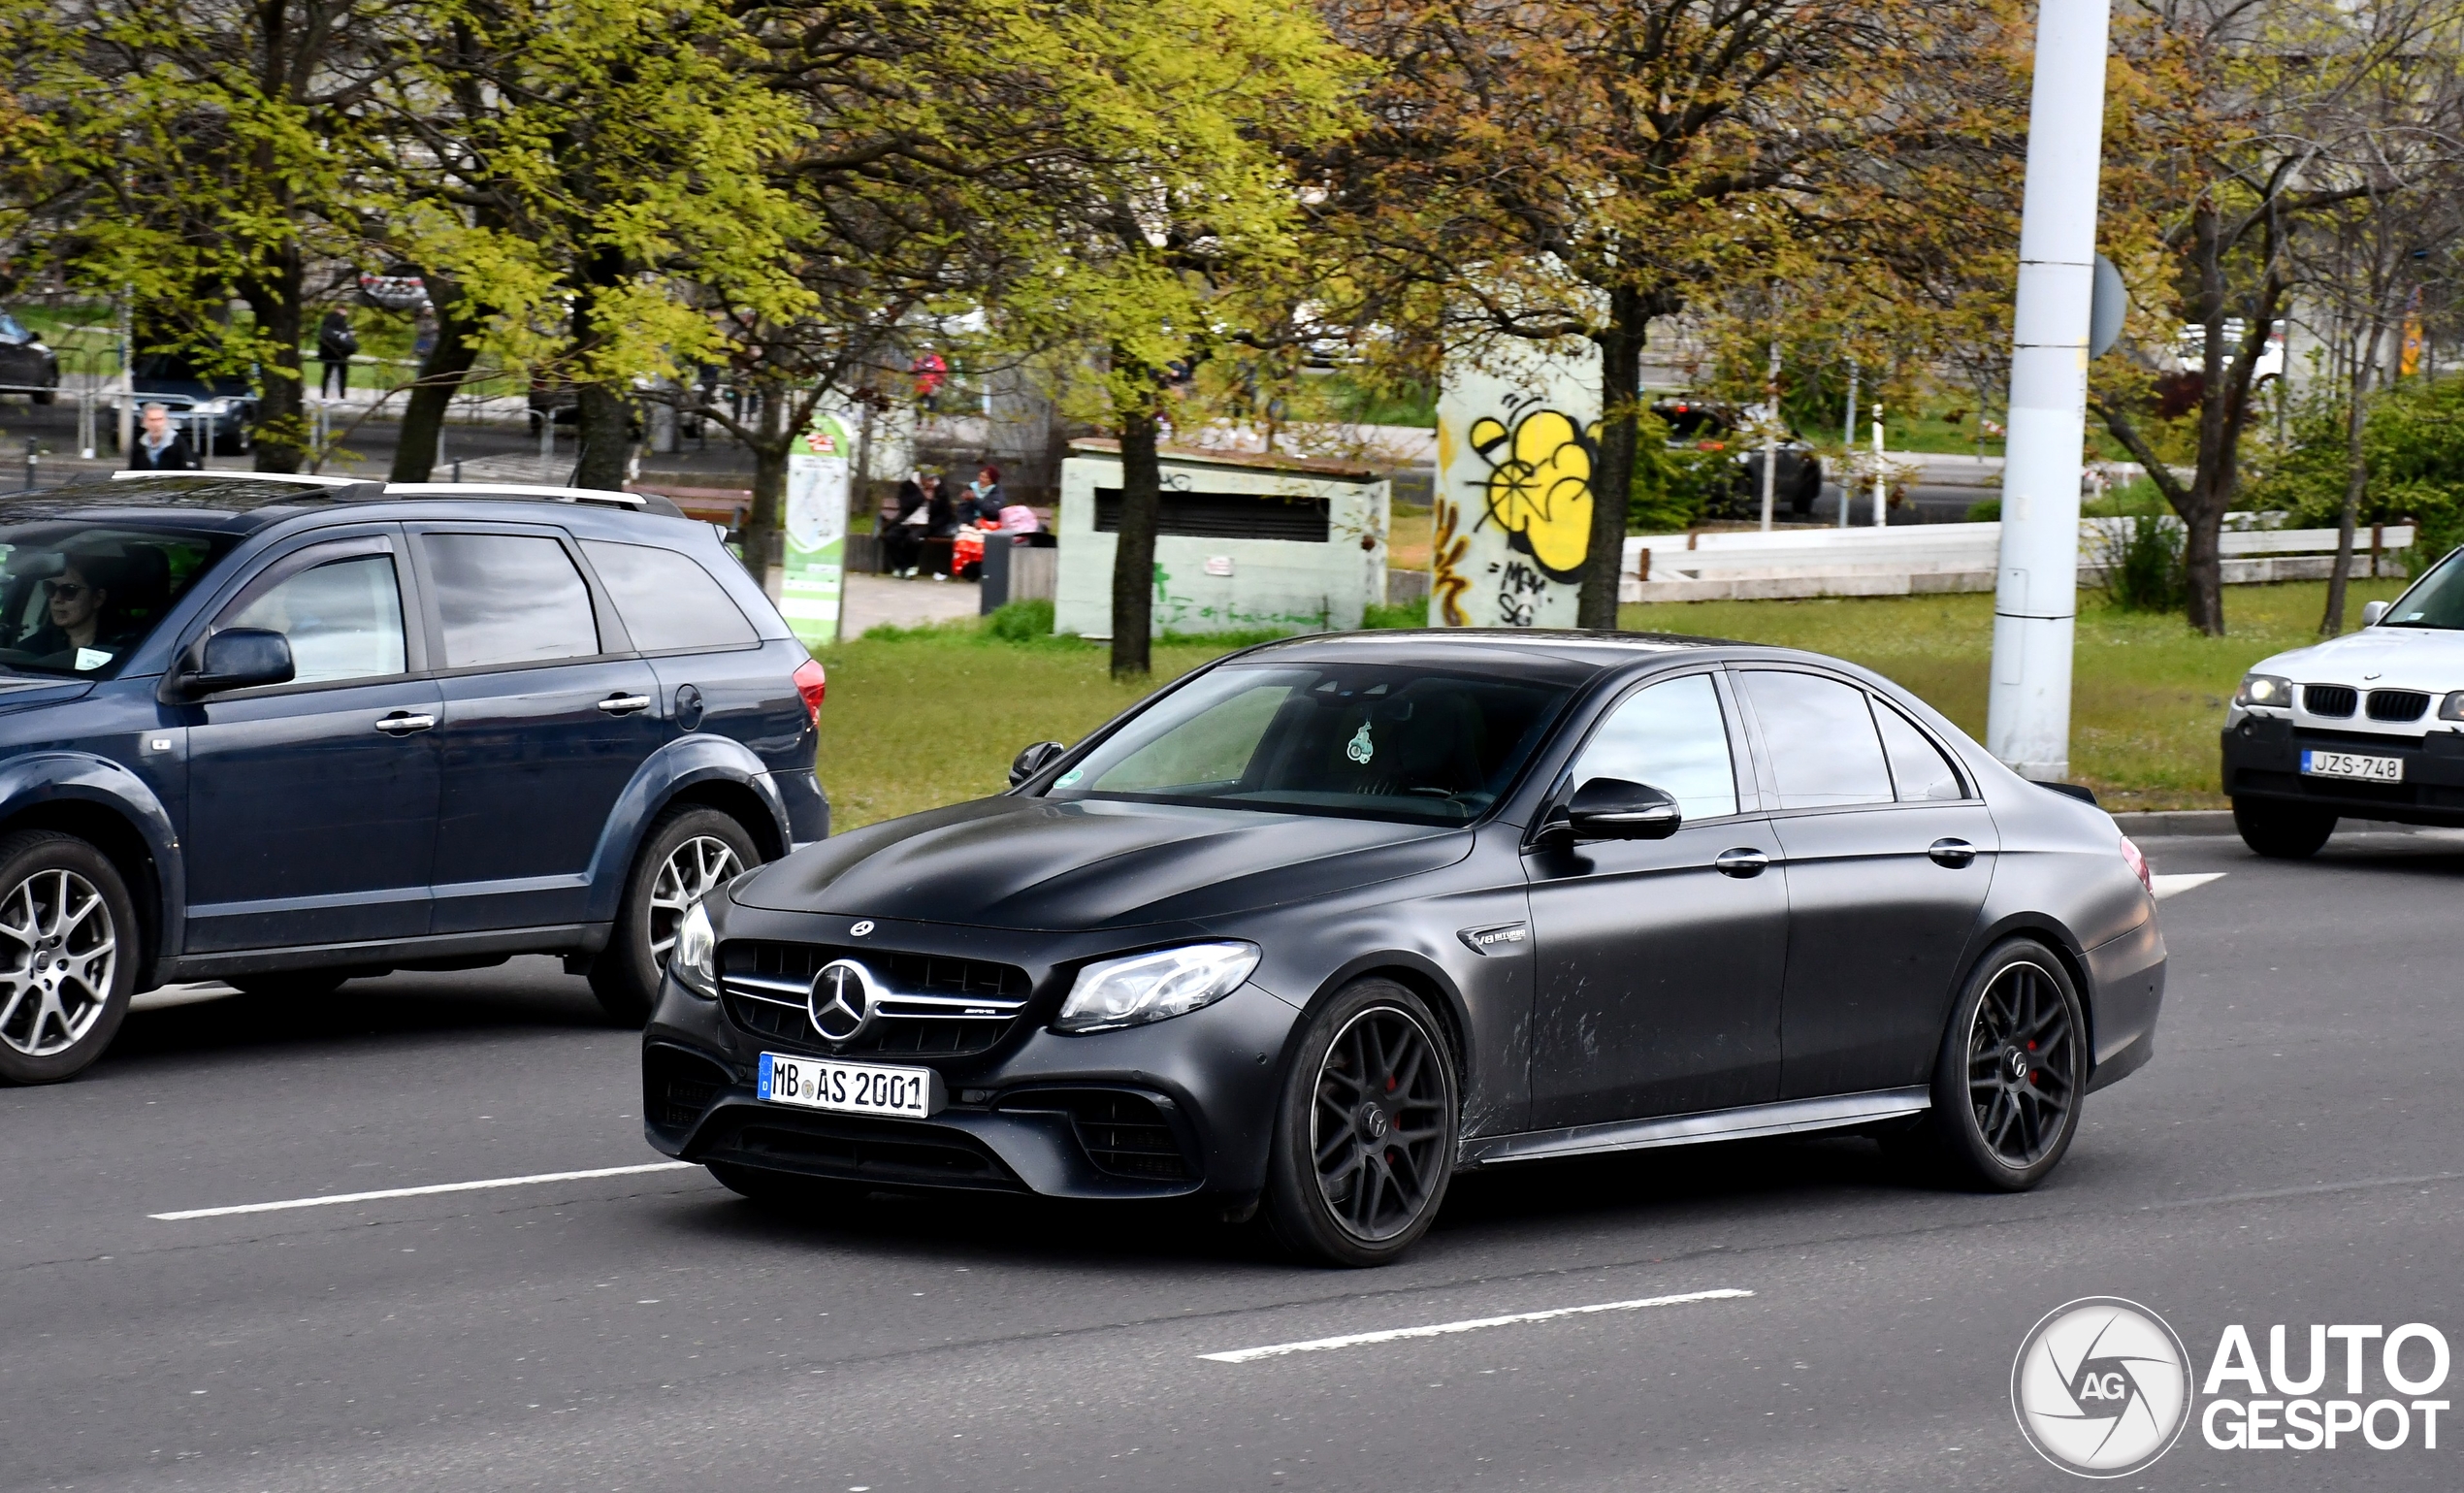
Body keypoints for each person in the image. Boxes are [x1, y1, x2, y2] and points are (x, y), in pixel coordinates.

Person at [16, 554, 127, 668]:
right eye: (50, 588)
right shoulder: (32, 649)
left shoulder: (128, 650)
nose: (56, 599)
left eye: (69, 590)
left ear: (97, 598)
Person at [124, 403, 199, 471]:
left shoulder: (180, 445)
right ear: (144, 422)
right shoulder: (139, 447)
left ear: (166, 420)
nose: (156, 424)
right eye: (152, 420)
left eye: (160, 419)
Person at [883, 472, 926, 576]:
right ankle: (902, 566)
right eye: (926, 479)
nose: (928, 482)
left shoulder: (938, 490)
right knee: (891, 536)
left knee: (913, 539)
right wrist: (922, 496)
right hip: (907, 522)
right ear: (921, 478)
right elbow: (905, 506)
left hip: (926, 525)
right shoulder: (907, 486)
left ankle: (911, 566)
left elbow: (942, 510)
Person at [317, 309, 357, 398]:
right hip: (338, 354)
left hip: (335, 354)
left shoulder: (333, 324)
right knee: (336, 374)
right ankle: (335, 395)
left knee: (331, 374)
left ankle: (327, 395)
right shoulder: (336, 324)